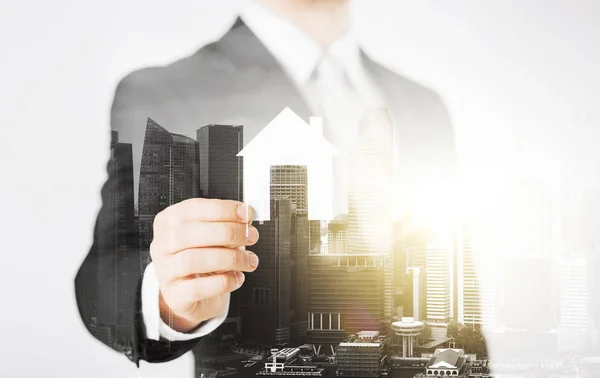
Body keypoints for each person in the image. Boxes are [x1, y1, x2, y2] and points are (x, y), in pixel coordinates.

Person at [75, 0, 459, 373]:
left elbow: (452, 282)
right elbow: (110, 271)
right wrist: (169, 294)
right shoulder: (165, 91)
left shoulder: (425, 107)